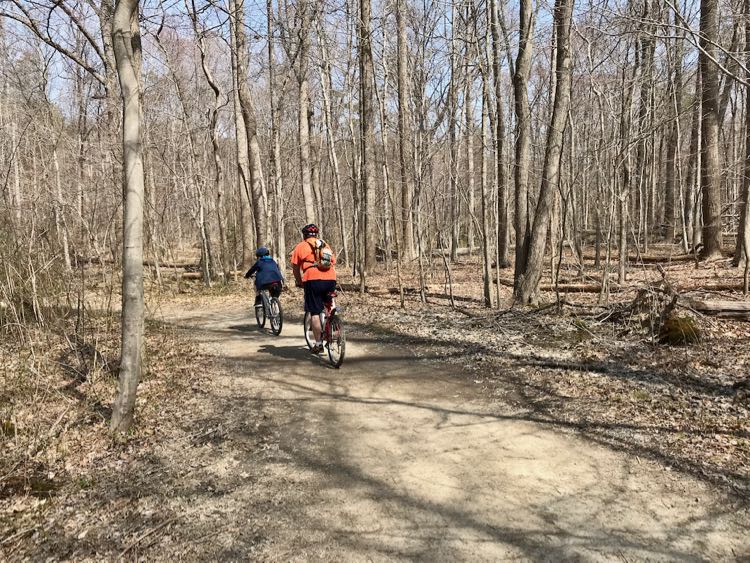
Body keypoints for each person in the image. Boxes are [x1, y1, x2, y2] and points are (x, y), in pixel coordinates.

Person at [291, 224, 336, 354]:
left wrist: (299, 281)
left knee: (315, 312)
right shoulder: (324, 244)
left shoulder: (300, 246)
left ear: (304, 235)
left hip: (312, 280)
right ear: (316, 234)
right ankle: (334, 323)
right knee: (329, 304)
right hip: (331, 278)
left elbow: (295, 267)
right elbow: (333, 261)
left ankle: (318, 344)